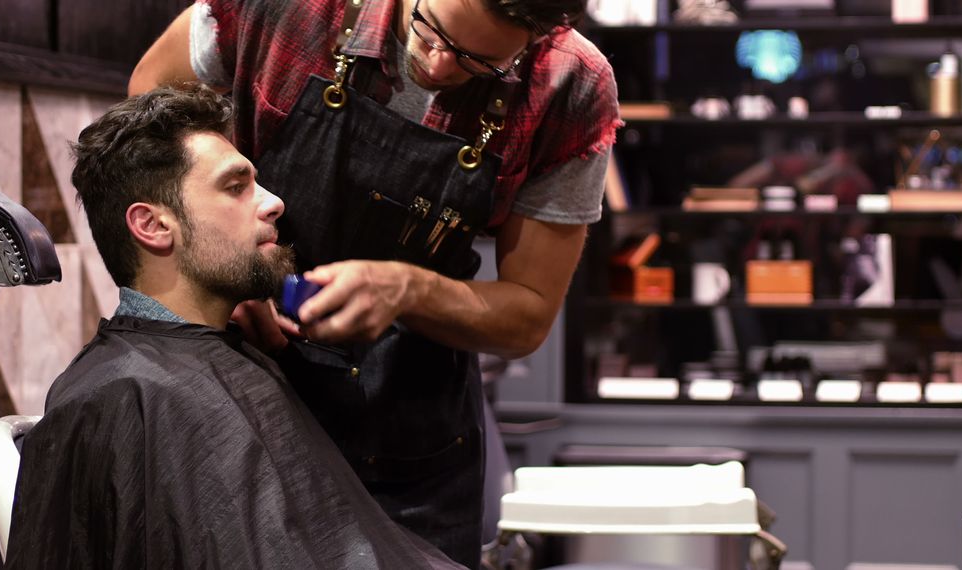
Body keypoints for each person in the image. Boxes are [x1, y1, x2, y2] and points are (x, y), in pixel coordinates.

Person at [129, 0, 620, 565]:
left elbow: (528, 314)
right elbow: (150, 105)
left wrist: (410, 290)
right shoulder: (292, 8)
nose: (436, 68)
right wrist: (214, 270)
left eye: (479, 63)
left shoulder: (570, 85)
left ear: (540, 38)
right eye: (429, 29)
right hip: (235, 400)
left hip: (406, 443)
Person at [3, 84, 461, 569]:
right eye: (236, 186)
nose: (274, 202)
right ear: (154, 226)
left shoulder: (238, 358)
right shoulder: (117, 396)